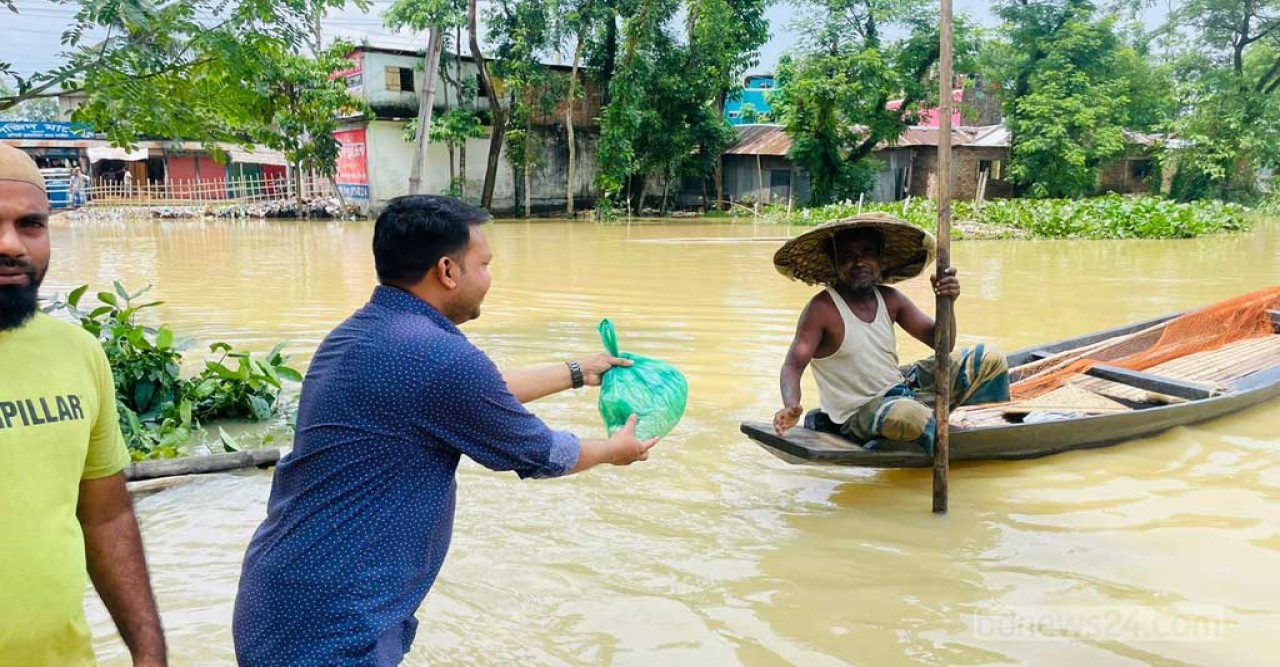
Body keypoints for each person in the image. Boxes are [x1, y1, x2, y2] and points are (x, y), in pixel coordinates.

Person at [233, 195, 661, 666]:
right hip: (335, 621)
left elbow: (479, 395)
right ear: (447, 271)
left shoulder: (361, 335)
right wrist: (615, 449)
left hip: (281, 594)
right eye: (484, 263)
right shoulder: (439, 358)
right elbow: (539, 452)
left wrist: (579, 371)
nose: (489, 278)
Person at [0, 144, 167, 665]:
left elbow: (106, 517)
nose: (11, 244)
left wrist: (149, 653)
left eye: (31, 224)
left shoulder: (78, 353)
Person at [772, 213, 1010, 451]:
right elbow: (792, 366)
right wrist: (791, 405)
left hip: (900, 386)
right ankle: (943, 432)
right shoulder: (822, 309)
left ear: (880, 259)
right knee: (910, 416)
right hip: (860, 410)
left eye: (867, 253)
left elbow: (942, 344)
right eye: (847, 256)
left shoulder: (890, 299)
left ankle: (983, 427)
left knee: (989, 357)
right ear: (835, 263)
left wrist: (948, 302)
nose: (858, 262)